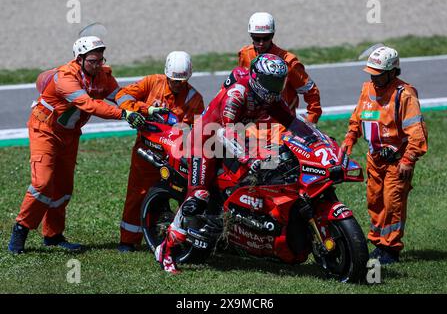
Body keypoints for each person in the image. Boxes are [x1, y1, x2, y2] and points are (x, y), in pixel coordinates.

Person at [155, 53, 301, 273]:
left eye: (278, 82)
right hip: (205, 141)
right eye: (270, 81)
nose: (274, 87)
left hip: (235, 138)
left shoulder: (269, 96)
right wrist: (247, 158)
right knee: (198, 196)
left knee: (274, 166)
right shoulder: (237, 94)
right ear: (256, 77)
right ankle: (166, 248)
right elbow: (225, 132)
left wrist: (315, 140)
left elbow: (292, 122)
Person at [7, 36, 145, 254]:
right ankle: (20, 230)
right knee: (42, 184)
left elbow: (119, 94)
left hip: (69, 135)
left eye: (101, 59)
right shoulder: (66, 78)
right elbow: (88, 104)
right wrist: (124, 114)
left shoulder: (102, 75)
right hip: (45, 131)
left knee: (62, 188)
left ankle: (53, 236)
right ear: (79, 59)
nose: (98, 64)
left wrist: (141, 108)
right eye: (93, 60)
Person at [341, 46, 428, 265]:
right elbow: (358, 117)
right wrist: (350, 138)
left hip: (396, 162)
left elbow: (416, 132)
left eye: (378, 75)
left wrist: (408, 160)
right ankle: (378, 243)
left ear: (391, 72)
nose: (373, 78)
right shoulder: (367, 89)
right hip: (374, 159)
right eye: (371, 73)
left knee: (392, 204)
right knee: (375, 201)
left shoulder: (404, 95)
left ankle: (390, 249)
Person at [116, 51, 205, 252]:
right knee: (137, 194)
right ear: (166, 75)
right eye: (174, 81)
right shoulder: (151, 83)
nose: (177, 85)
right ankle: (128, 241)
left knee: (171, 195)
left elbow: (199, 131)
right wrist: (144, 109)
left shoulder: (194, 99)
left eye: (181, 81)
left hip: (174, 157)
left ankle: (164, 233)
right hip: (146, 152)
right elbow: (122, 96)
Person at [238, 12, 322, 123]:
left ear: (272, 35)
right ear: (251, 36)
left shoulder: (288, 61)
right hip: (255, 125)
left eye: (266, 38)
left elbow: (311, 91)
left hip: (282, 126)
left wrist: (311, 120)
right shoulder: (245, 54)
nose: (261, 43)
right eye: (257, 38)